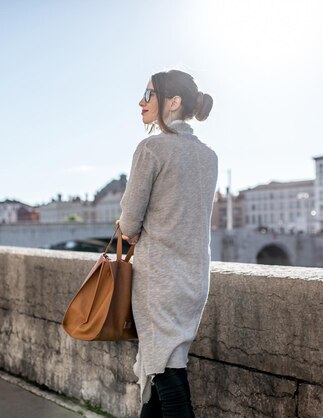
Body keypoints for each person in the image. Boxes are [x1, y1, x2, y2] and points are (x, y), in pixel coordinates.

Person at [117, 69, 217, 417]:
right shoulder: (209, 156)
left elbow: (129, 225)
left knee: (169, 382)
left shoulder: (151, 149)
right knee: (160, 376)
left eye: (150, 95)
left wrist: (127, 224)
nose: (142, 102)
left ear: (173, 103)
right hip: (193, 281)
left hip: (158, 280)